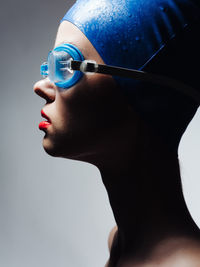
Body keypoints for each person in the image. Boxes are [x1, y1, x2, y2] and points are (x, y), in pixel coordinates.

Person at [34, 0, 200, 266]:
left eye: (64, 65)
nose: (41, 86)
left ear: (145, 94)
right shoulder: (120, 244)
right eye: (49, 66)